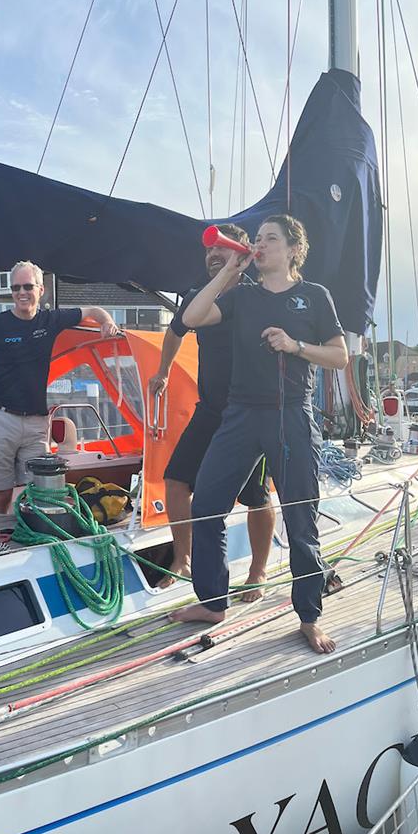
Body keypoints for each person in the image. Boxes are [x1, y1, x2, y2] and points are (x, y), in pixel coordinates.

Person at [171, 215, 348, 654]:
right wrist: (229, 272)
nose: (262, 245)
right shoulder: (242, 297)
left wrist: (295, 346)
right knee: (206, 505)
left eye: (271, 239)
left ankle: (309, 616)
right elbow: (191, 316)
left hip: (289, 415)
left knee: (300, 515)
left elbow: (340, 357)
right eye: (260, 239)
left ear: (292, 250)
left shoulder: (314, 296)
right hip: (240, 414)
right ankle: (213, 602)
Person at [149, 223, 275, 595]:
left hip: (248, 414)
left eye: (222, 249)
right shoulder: (196, 297)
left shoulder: (259, 297)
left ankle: (258, 570)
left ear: (241, 254)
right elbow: (175, 331)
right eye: (209, 252)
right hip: (210, 410)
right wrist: (163, 371)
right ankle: (182, 559)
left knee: (256, 497)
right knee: (174, 481)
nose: (213, 256)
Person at [0, 260, 119, 513]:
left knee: (40, 494)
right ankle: (0, 546)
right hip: (0, 419)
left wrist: (107, 321)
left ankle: (32, 541)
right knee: (1, 496)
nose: (21, 293)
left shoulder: (51, 320)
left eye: (27, 286)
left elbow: (92, 309)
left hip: (37, 423)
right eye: (15, 288)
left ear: (40, 289)